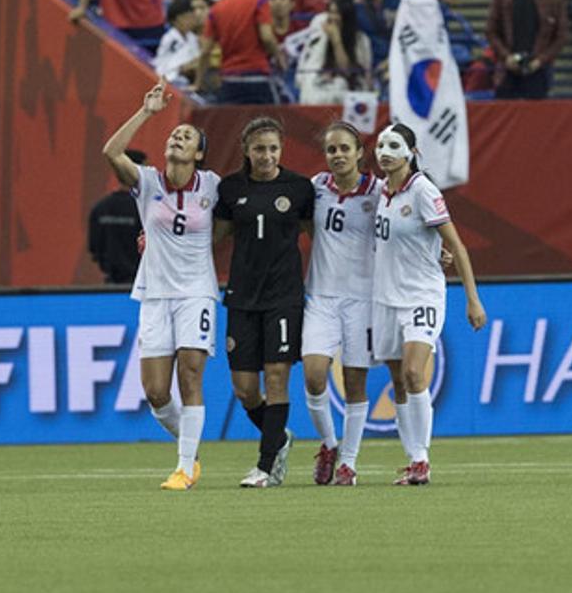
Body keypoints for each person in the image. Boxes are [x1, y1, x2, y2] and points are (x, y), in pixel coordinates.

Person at [101, 79, 218, 491]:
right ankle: (192, 450)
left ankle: (185, 468)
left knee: (190, 374)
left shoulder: (213, 187)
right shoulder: (147, 182)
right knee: (155, 393)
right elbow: (111, 152)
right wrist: (147, 111)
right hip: (154, 293)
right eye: (174, 134)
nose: (177, 138)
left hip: (197, 293)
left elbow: (224, 227)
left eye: (186, 136)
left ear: (199, 154)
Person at [371, 124, 487, 485]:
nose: (385, 151)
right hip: (385, 296)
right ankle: (412, 458)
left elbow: (458, 245)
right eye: (380, 145)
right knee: (397, 379)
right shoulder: (378, 192)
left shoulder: (423, 190)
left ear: (411, 152)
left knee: (414, 372)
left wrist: (472, 299)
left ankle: (422, 459)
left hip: (422, 295)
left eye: (394, 145)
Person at [214, 116, 316, 488]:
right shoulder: (230, 190)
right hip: (241, 296)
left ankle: (267, 465)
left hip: (283, 296)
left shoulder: (300, 188)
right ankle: (279, 436)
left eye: (273, 148)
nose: (267, 156)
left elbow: (321, 237)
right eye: (259, 149)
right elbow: (212, 239)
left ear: (282, 149)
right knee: (244, 388)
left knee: (276, 378)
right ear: (245, 149)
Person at [301, 122, 381, 486]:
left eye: (344, 148)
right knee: (314, 374)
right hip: (321, 296)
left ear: (360, 152)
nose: (337, 155)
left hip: (363, 300)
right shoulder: (316, 187)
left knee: (354, 383)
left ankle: (348, 463)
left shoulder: (379, 192)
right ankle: (330, 445)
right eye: (331, 149)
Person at [485, 0, 569, 100]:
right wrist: (505, 57)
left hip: (539, 71)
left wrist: (540, 60)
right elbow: (491, 31)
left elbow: (561, 36)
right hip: (506, 71)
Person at [199, 0, 287, 105]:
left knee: (229, 126)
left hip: (229, 81)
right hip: (258, 78)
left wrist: (198, 82)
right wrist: (279, 56)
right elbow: (267, 37)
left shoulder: (217, 8)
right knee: (270, 124)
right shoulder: (259, 1)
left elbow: (205, 51)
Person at [298, 0, 375, 103]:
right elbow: (307, 72)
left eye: (337, 13)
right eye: (330, 12)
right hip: (320, 91)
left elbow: (348, 72)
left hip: (350, 94)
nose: (332, 17)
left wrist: (336, 40)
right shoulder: (317, 37)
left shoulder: (360, 40)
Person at [88, 149, 145, 284]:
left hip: (111, 286)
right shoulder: (145, 209)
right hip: (140, 286)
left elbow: (95, 250)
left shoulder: (100, 208)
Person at [154, 0, 203, 87]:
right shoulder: (170, 39)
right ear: (176, 20)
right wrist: (186, 67)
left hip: (190, 79)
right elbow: (164, 68)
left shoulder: (192, 37)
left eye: (191, 17)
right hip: (171, 82)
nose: (191, 20)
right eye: (186, 18)